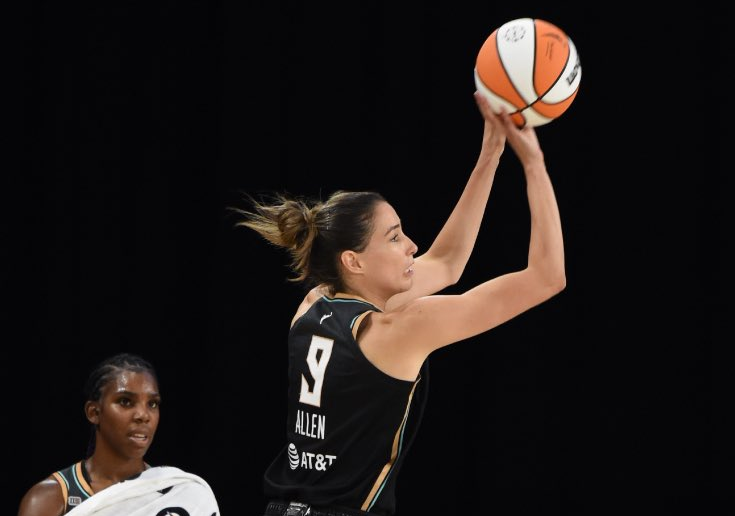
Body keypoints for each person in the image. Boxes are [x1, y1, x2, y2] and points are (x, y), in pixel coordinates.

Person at [231, 92, 566, 516]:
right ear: (353, 261)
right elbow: (548, 276)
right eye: (394, 237)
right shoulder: (399, 331)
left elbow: (446, 263)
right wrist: (534, 164)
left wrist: (491, 155)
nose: (411, 246)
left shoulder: (311, 306)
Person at [17, 353, 220, 516]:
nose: (143, 415)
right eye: (125, 401)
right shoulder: (49, 499)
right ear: (94, 412)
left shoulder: (179, 490)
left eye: (153, 403)